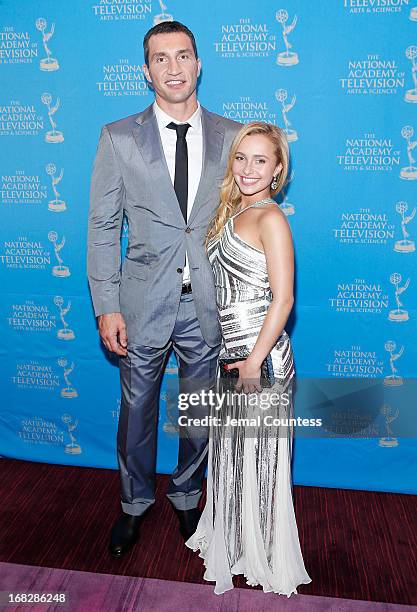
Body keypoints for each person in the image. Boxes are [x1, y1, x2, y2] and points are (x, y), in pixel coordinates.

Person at [87, 21, 240, 558]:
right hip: (141, 301)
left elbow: (250, 222)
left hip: (209, 303)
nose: (173, 68)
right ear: (146, 71)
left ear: (199, 64)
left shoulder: (234, 136)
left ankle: (187, 493)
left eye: (183, 56)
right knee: (137, 411)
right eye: (161, 58)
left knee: (199, 408)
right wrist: (106, 305)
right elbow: (104, 227)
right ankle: (133, 504)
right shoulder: (118, 137)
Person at [185, 122, 312, 596]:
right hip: (230, 357)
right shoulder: (231, 211)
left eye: (261, 160)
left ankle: (264, 551)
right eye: (242, 157)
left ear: (278, 170)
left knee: (261, 460)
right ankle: (234, 539)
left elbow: (283, 300)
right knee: (234, 456)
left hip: (261, 361)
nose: (248, 168)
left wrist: (255, 362)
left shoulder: (271, 219)